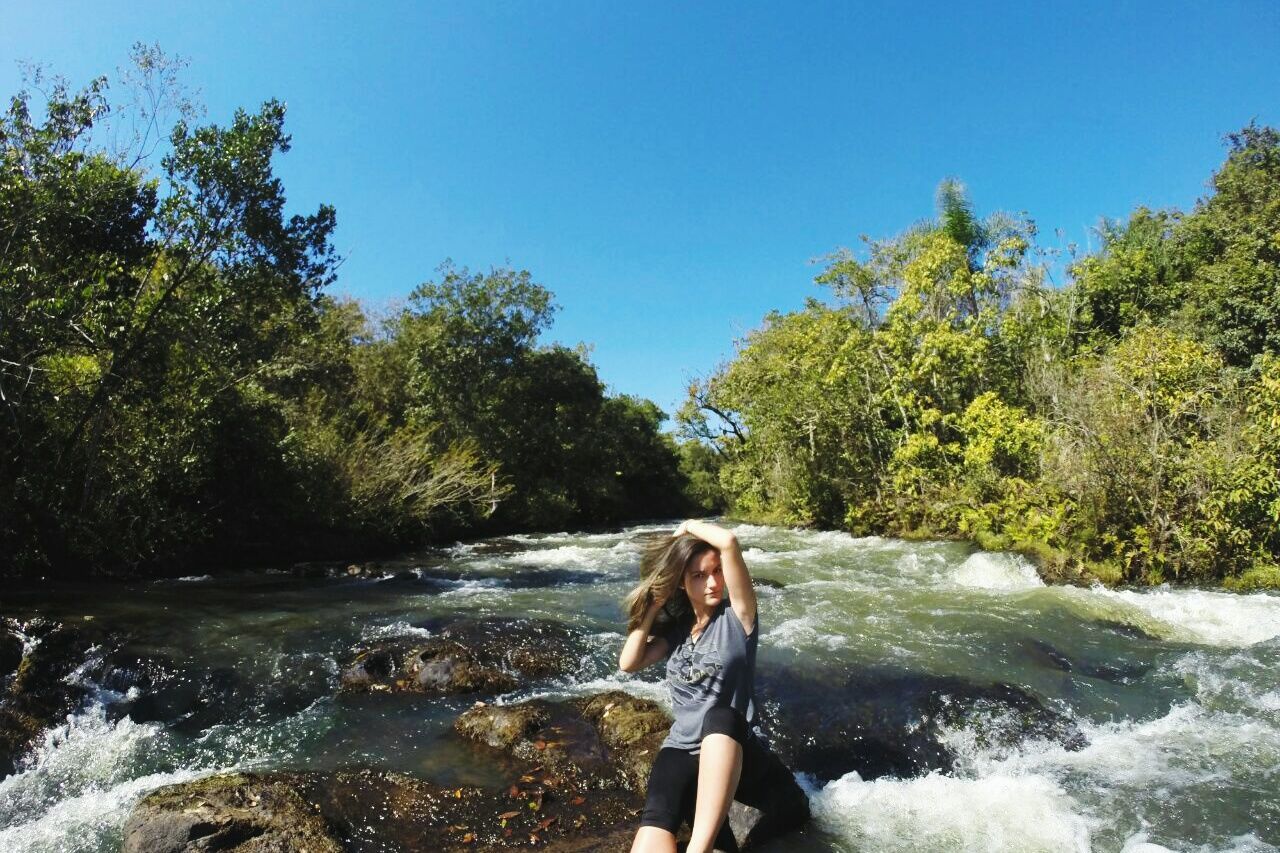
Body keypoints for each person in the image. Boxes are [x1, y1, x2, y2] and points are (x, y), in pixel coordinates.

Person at [618, 519, 781, 853]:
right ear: (681, 583)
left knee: (720, 717)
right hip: (684, 747)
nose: (713, 582)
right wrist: (652, 606)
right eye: (699, 575)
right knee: (653, 826)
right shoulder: (678, 631)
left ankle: (699, 848)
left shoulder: (738, 617)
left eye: (717, 572)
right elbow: (628, 663)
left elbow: (729, 540)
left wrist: (689, 525)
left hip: (735, 748)